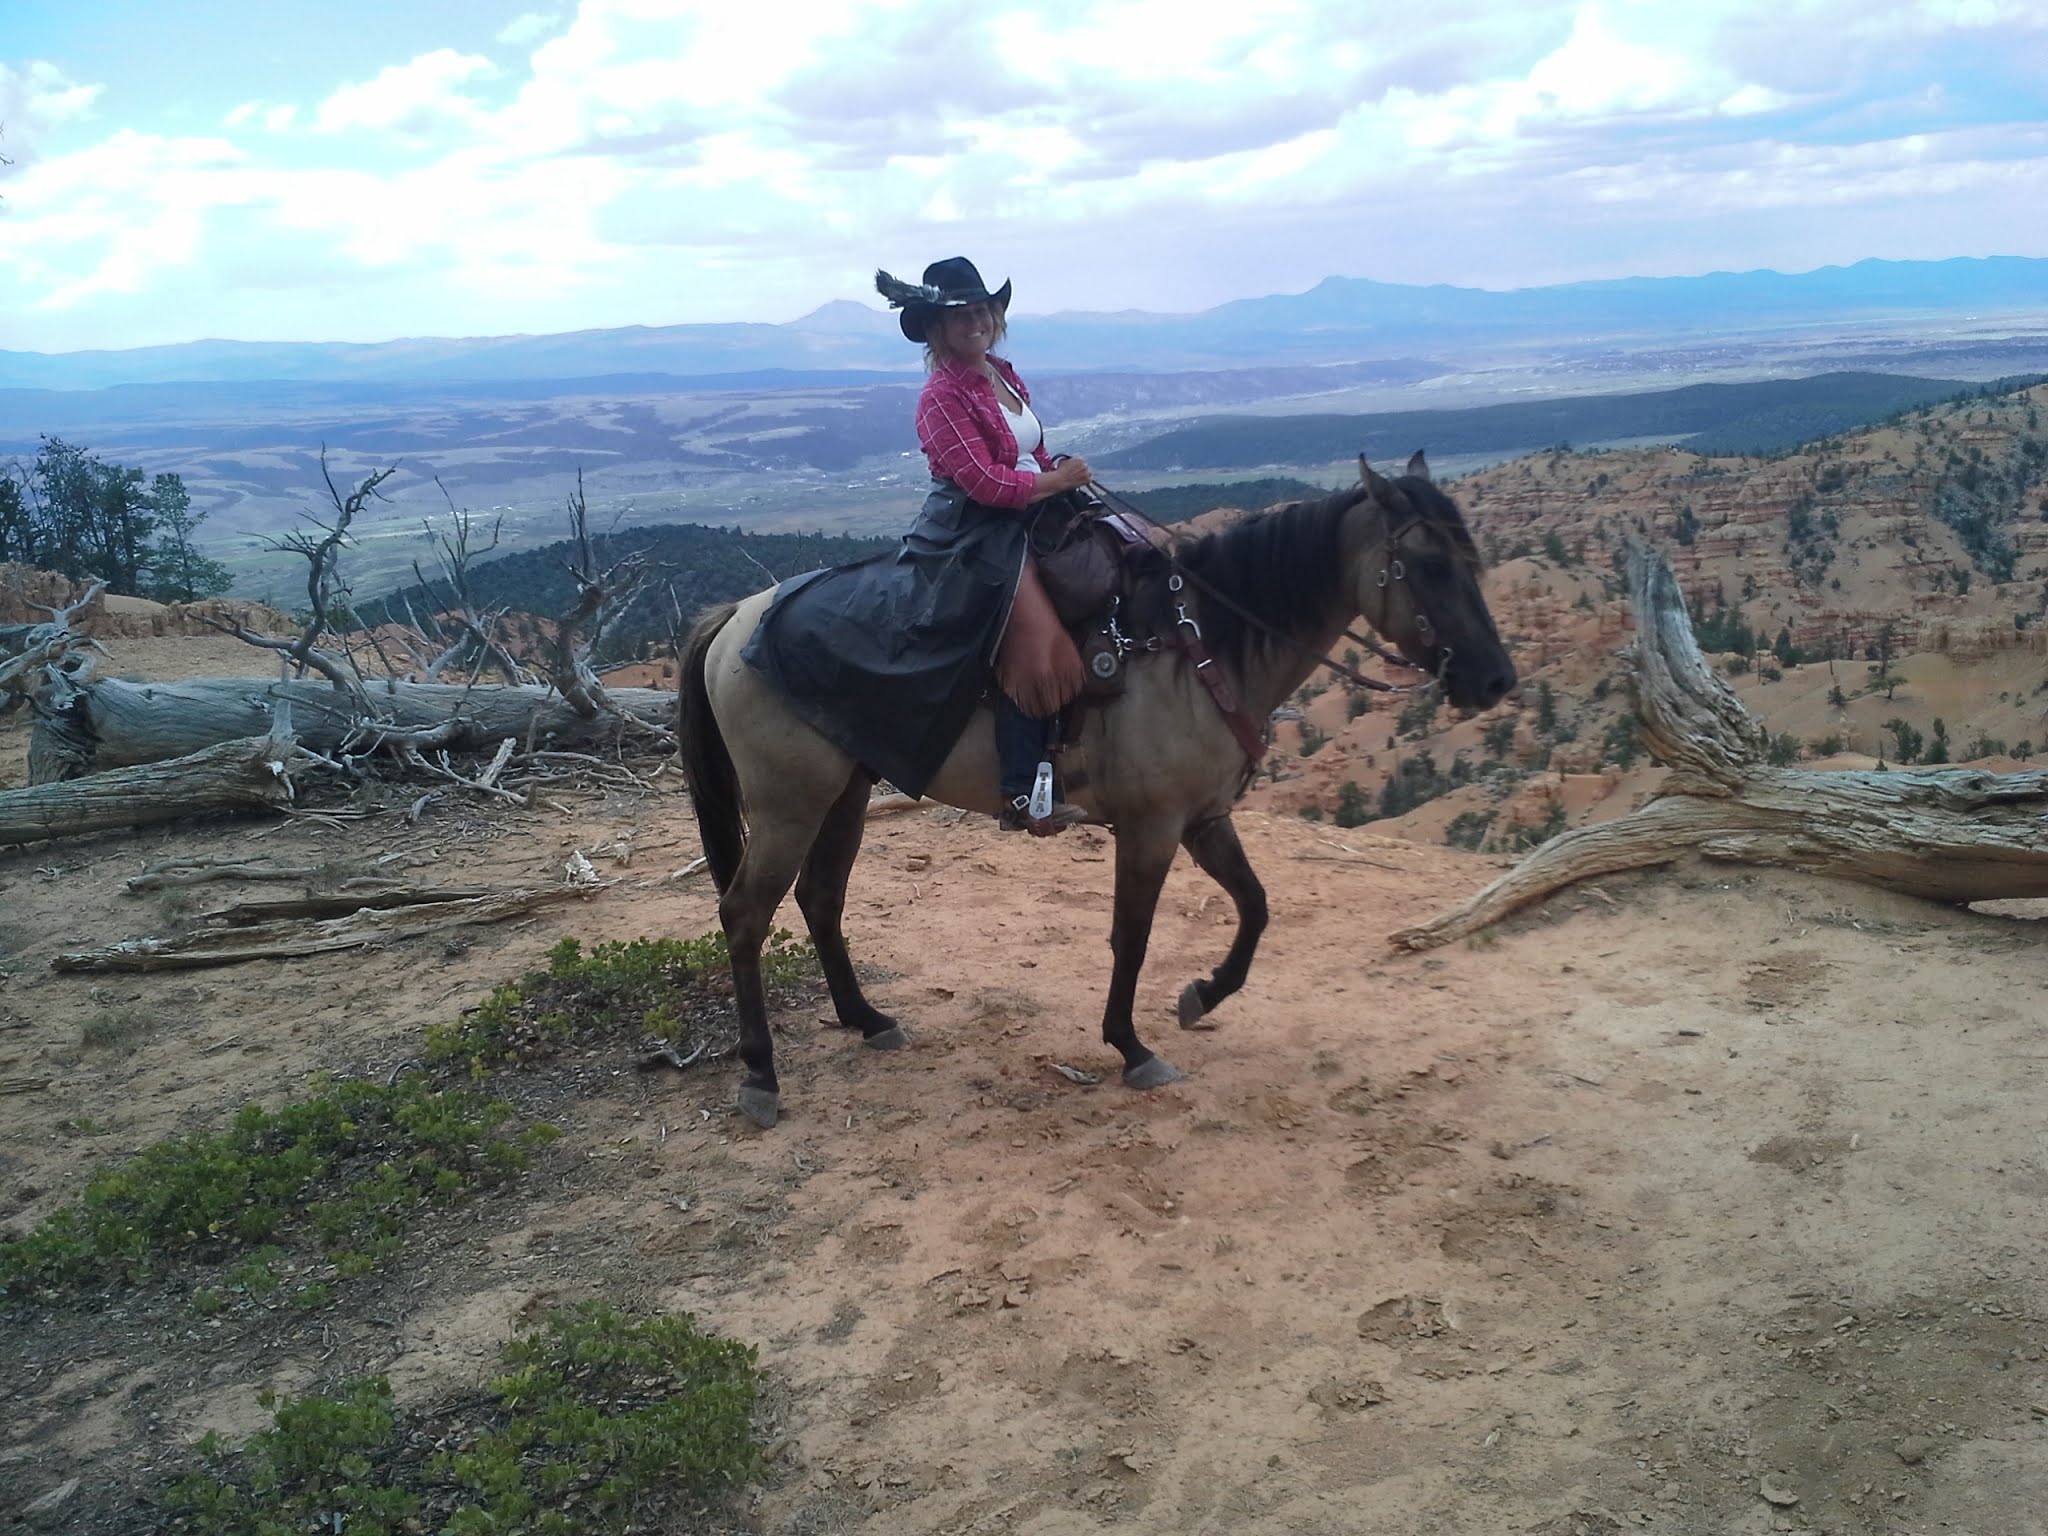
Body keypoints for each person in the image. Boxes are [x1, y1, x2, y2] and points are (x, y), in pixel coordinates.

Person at [877, 256, 1094, 832]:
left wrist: (1060, 474)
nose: (975, 321)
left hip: (1035, 508)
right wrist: (1055, 482)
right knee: (1034, 638)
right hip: (974, 530)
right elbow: (986, 483)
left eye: (982, 310)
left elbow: (1033, 449)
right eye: (961, 315)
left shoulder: (1001, 372)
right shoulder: (940, 397)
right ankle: (1022, 791)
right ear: (935, 329)